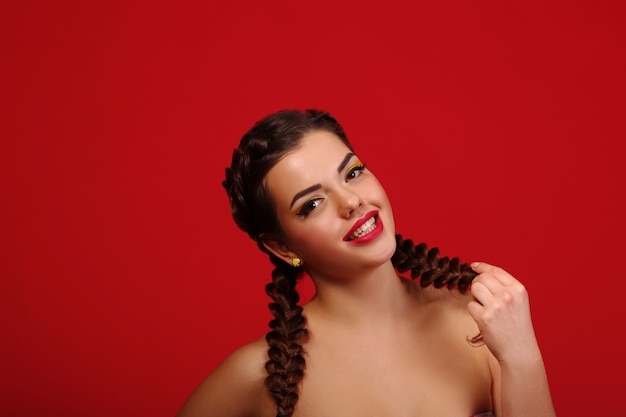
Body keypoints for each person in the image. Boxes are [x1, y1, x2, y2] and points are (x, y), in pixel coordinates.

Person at [176, 109, 556, 417]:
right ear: (279, 246)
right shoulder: (262, 374)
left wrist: (522, 355)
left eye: (353, 173)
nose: (351, 202)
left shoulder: (479, 325)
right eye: (312, 204)